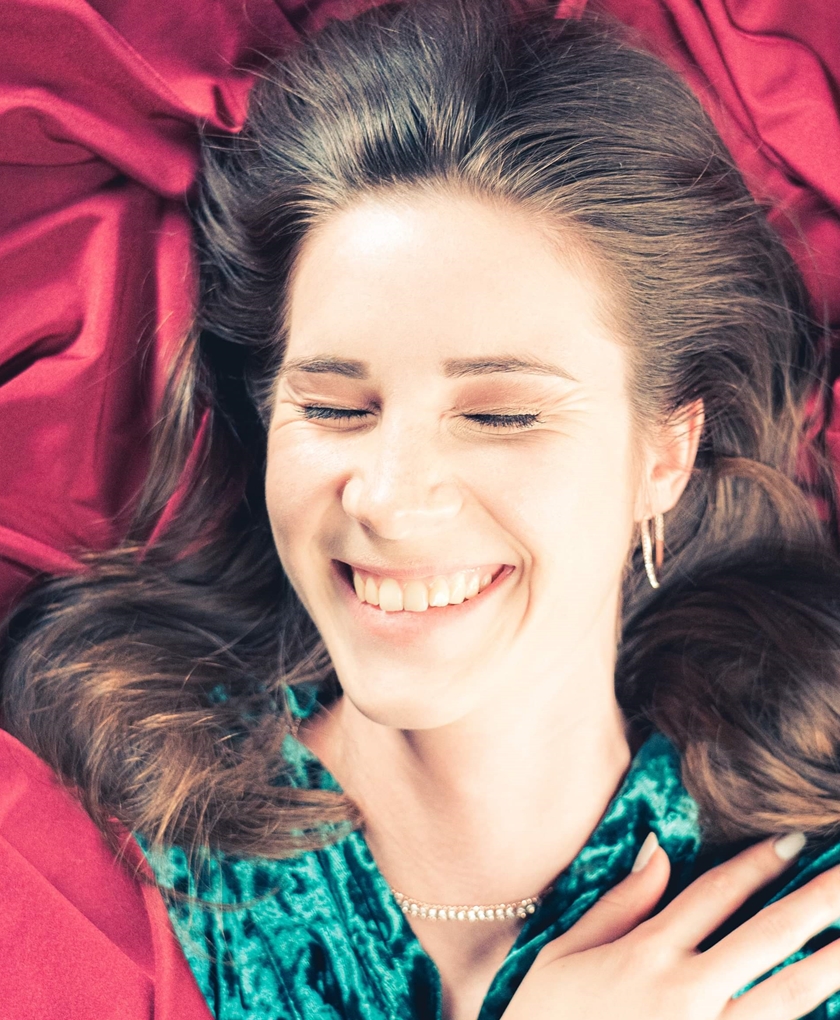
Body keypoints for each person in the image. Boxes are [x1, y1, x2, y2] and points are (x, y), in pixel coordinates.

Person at [3, 1, 840, 1018]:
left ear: (664, 454)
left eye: (499, 415)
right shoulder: (95, 839)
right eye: (334, 408)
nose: (390, 501)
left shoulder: (805, 920)